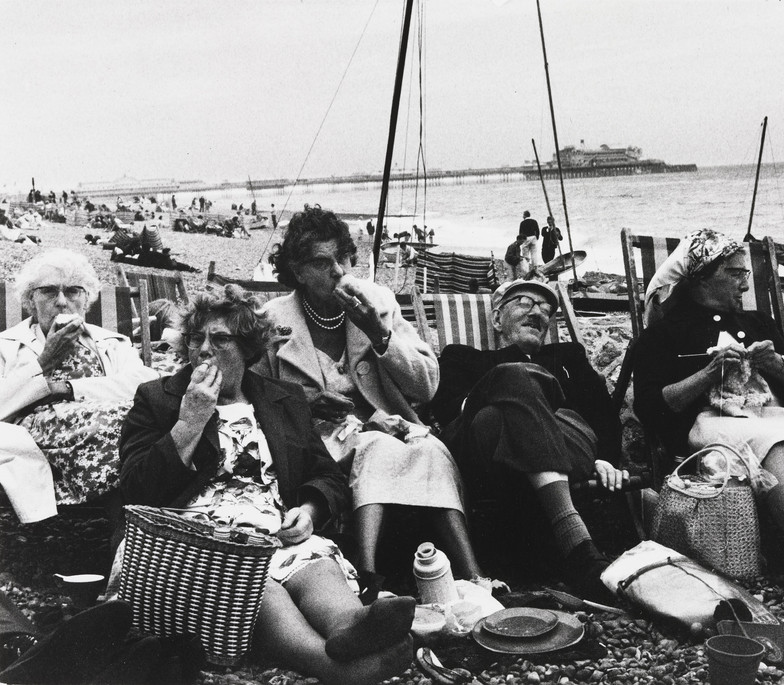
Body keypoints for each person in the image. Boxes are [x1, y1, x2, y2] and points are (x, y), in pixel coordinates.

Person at [119, 287, 415, 685]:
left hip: (274, 529)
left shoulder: (282, 399)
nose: (203, 350)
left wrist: (309, 512)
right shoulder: (158, 399)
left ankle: (350, 626)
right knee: (256, 580)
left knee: (317, 566)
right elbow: (137, 490)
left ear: (245, 349)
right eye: (195, 339)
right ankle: (332, 666)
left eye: (220, 339)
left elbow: (326, 474)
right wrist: (189, 422)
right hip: (196, 539)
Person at [256, 207, 494, 587]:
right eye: (321, 262)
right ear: (297, 271)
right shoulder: (272, 320)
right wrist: (308, 402)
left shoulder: (376, 303)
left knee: (430, 448)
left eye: (343, 257)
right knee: (376, 447)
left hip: (392, 428)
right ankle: (368, 574)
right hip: (319, 442)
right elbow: (257, 398)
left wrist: (380, 334)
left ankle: (474, 574)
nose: (338, 270)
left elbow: (427, 385)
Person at [631, 229, 784, 597]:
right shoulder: (664, 334)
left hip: (765, 415)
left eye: (746, 274)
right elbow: (651, 406)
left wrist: (776, 362)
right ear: (702, 276)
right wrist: (707, 375)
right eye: (735, 274)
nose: (745, 284)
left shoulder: (756, 323)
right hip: (706, 424)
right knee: (776, 445)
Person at [430, 279, 627, 601]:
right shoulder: (461, 357)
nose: (538, 312)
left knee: (512, 388)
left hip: (569, 440)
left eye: (546, 309)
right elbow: (451, 411)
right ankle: (578, 545)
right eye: (525, 302)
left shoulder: (568, 356)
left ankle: (570, 543)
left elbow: (601, 414)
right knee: (512, 379)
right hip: (485, 444)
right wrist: (512, 384)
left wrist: (605, 457)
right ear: (496, 318)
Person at [0, 250, 159, 523]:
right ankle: (134, 530)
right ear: (30, 300)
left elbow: (147, 386)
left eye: (73, 291)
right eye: (48, 292)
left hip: (106, 434)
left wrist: (68, 388)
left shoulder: (111, 342)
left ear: (87, 299)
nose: (62, 302)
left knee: (138, 422)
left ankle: (127, 536)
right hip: (38, 443)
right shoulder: (6, 345)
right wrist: (44, 361)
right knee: (127, 427)